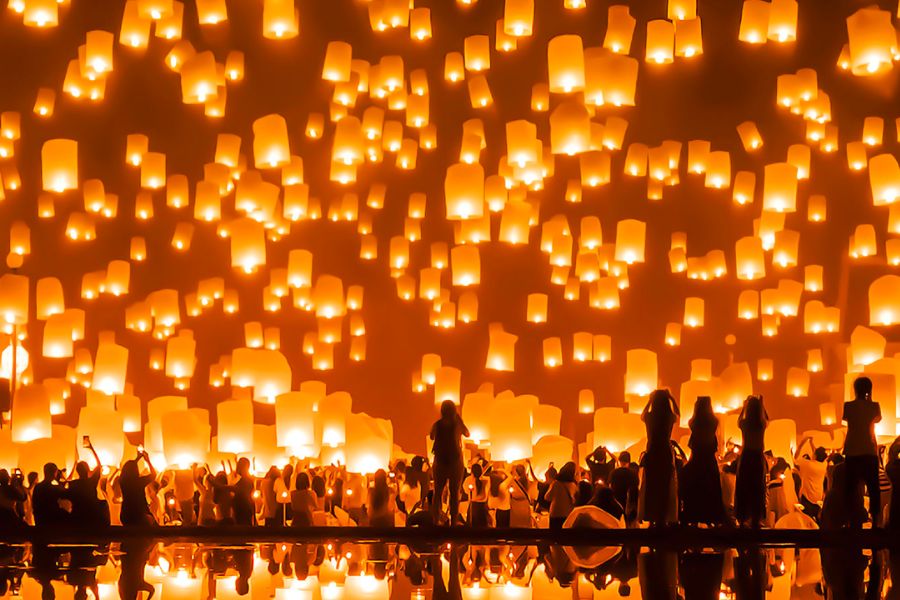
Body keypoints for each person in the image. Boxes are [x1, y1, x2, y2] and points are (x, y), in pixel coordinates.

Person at [842, 376, 883, 528]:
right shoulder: (874, 406)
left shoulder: (848, 406)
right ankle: (876, 521)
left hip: (852, 450)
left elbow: (849, 420)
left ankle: (849, 520)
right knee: (873, 488)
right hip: (869, 450)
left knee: (850, 488)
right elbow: (877, 419)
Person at [679, 396, 726, 525]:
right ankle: (711, 518)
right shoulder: (713, 422)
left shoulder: (693, 423)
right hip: (709, 463)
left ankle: (692, 517)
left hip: (697, 462)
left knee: (694, 491)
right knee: (710, 491)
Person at [638, 389, 680, 526]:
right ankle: (662, 517)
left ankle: (651, 517)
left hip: (652, 452)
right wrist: (671, 398)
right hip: (665, 453)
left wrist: (650, 400)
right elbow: (678, 414)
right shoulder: (669, 417)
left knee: (651, 486)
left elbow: (642, 415)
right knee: (664, 487)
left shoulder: (650, 417)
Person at [429, 400, 469, 526]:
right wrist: (459, 420)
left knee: (438, 492)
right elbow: (467, 433)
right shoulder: (457, 424)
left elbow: (431, 436)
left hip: (440, 461)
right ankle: (454, 521)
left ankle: (435, 521)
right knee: (454, 492)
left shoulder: (437, 424)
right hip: (455, 462)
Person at [735, 395, 768, 528]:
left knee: (744, 486)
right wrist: (762, 405)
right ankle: (756, 518)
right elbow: (767, 418)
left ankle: (743, 518)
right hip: (758, 457)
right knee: (757, 488)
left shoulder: (744, 424)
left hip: (746, 456)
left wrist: (744, 407)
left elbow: (738, 420)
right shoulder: (761, 425)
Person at [119, 450, 157, 527]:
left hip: (125, 515)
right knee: (154, 526)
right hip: (140, 515)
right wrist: (148, 460)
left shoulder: (122, 481)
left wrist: (138, 458)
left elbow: (129, 467)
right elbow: (154, 474)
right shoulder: (139, 482)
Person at [794, 436, 828, 520]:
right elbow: (817, 455)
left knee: (807, 520)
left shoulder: (808, 464)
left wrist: (802, 443)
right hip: (818, 496)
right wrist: (811, 443)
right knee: (817, 519)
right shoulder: (824, 465)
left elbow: (795, 457)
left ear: (815, 455)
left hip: (807, 497)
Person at [609, 451, 639, 523]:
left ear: (619, 460)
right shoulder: (633, 474)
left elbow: (610, 486)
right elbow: (636, 486)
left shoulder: (614, 472)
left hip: (617, 503)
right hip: (629, 503)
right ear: (629, 460)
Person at [546, 461, 577, 529]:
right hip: (568, 514)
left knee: (554, 535)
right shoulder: (573, 485)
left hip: (555, 513)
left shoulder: (556, 483)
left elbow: (547, 497)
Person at [464, 462, 490, 527]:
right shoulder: (487, 479)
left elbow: (466, 491)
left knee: (472, 527)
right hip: (483, 506)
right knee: (483, 527)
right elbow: (487, 491)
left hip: (473, 506)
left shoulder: (468, 480)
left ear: (472, 471)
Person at [231, 457, 256, 526]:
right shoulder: (248, 479)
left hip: (242, 509)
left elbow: (236, 490)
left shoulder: (245, 480)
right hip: (244, 509)